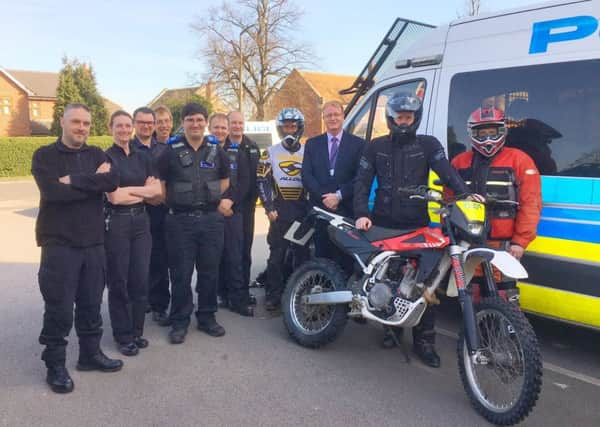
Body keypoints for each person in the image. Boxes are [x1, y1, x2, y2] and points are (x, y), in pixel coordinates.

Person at [354, 92, 471, 368]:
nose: (404, 122)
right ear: (391, 118)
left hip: (417, 224)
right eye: (399, 117)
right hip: (383, 223)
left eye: (409, 117)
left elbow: (447, 171)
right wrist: (361, 214)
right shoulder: (374, 147)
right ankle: (391, 329)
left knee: (425, 284)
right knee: (390, 278)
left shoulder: (428, 144)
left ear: (415, 118)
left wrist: (466, 193)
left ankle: (425, 342)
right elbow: (361, 182)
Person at [31, 103, 123, 394]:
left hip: (94, 244)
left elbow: (112, 181)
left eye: (86, 123)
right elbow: (52, 192)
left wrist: (75, 181)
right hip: (59, 245)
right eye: (76, 122)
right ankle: (55, 364)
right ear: (63, 121)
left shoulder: (97, 154)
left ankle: (90, 354)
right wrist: (92, 183)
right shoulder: (45, 156)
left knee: (91, 303)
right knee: (59, 309)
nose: (82, 128)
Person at [156, 103, 231, 344]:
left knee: (210, 272)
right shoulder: (170, 151)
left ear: (205, 121)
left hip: (211, 221)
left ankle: (207, 317)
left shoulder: (215, 149)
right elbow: (161, 186)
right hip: (180, 222)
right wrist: (180, 203)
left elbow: (225, 181)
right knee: (181, 274)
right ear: (183, 122)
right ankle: (180, 321)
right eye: (190, 120)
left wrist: (208, 202)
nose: (195, 124)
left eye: (199, 119)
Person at [449, 105, 541, 285]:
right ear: (472, 134)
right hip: (468, 242)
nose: (488, 138)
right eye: (482, 133)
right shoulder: (459, 162)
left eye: (493, 132)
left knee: (503, 294)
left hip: (503, 245)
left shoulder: (519, 160)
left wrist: (520, 241)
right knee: (469, 294)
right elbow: (448, 199)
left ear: (503, 131)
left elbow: (531, 203)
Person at [104, 110, 161, 356]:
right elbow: (114, 197)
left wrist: (130, 190)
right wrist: (142, 190)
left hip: (141, 223)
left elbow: (157, 192)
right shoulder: (105, 158)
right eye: (120, 126)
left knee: (140, 279)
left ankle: (137, 331)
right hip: (116, 224)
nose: (125, 130)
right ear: (111, 128)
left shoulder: (142, 157)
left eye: (128, 126)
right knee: (119, 281)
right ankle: (122, 335)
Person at [302, 100, 365, 271]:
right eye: (329, 115)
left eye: (336, 115)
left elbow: (361, 177)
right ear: (324, 118)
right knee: (323, 257)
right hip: (321, 210)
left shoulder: (358, 144)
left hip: (345, 210)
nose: (333, 118)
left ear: (343, 117)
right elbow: (306, 176)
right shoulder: (312, 144)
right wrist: (326, 197)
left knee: (346, 258)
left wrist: (339, 195)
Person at [257, 107, 309, 311]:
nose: (289, 129)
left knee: (302, 256)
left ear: (299, 127)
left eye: (293, 126)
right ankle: (273, 295)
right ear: (280, 128)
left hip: (302, 213)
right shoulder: (269, 152)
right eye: (286, 126)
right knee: (277, 256)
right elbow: (262, 180)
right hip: (279, 213)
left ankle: (299, 294)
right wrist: (268, 207)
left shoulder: (308, 151)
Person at [209, 113, 254, 316]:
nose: (219, 131)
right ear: (210, 128)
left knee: (235, 256)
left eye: (222, 127)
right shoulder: (201, 150)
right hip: (209, 210)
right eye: (216, 127)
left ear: (227, 129)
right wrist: (216, 202)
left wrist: (230, 200)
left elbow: (245, 181)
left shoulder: (237, 152)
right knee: (212, 256)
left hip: (232, 210)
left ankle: (237, 299)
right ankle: (216, 295)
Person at [131, 106, 172, 325]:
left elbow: (172, 180)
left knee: (159, 261)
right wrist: (147, 196)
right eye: (142, 122)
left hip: (160, 213)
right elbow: (124, 182)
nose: (147, 126)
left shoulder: (165, 149)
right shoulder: (127, 149)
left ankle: (159, 305)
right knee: (137, 262)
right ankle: (139, 301)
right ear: (135, 124)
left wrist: (161, 196)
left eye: (150, 122)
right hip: (135, 212)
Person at [227, 111, 261, 297]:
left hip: (248, 207)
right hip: (228, 207)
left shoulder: (252, 146)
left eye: (240, 123)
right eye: (234, 123)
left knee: (245, 250)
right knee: (229, 251)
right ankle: (227, 291)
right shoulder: (223, 146)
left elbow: (258, 177)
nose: (237, 126)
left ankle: (243, 290)